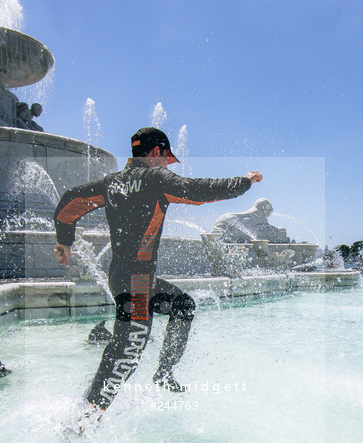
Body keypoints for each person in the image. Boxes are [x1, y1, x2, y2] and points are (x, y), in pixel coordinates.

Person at [53, 127, 263, 413]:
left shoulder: (110, 183)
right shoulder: (155, 178)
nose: (167, 164)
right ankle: (86, 417)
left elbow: (70, 202)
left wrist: (63, 241)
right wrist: (244, 182)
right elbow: (198, 191)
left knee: (183, 305)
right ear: (155, 153)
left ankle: (163, 373)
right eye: (166, 158)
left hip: (129, 278)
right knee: (127, 350)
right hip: (137, 282)